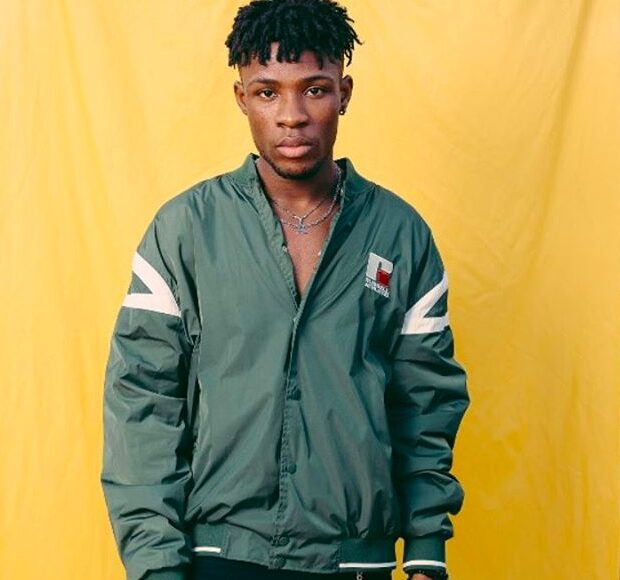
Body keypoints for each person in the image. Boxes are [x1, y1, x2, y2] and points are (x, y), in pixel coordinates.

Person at [100, 1, 470, 580]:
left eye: (314, 90)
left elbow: (425, 407)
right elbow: (142, 406)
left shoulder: (401, 236)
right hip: (218, 559)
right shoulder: (185, 231)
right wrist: (155, 566)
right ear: (241, 98)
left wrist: (426, 551)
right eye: (268, 92)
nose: (292, 116)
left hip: (355, 560)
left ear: (344, 93)